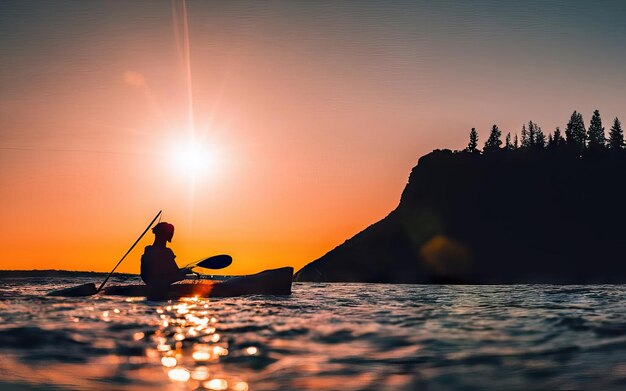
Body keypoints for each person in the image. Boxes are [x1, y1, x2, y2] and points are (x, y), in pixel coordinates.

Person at [140, 222, 191, 288]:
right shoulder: (167, 252)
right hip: (160, 282)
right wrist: (186, 271)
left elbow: (145, 274)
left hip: (149, 281)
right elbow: (175, 271)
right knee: (183, 275)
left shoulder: (148, 249)